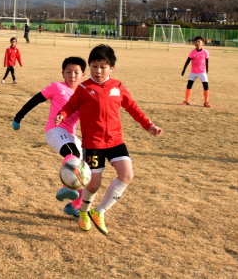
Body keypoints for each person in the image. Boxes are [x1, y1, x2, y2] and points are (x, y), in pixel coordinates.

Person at [55, 44, 163, 235]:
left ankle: (100, 211)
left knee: (127, 175)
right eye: (94, 66)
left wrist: (149, 125)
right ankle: (84, 212)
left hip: (115, 141)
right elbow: (71, 106)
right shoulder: (83, 87)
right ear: (90, 66)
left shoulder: (118, 87)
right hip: (94, 143)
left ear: (111, 68)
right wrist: (62, 114)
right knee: (94, 184)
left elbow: (133, 108)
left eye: (103, 67)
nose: (98, 71)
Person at [12, 57, 86, 218]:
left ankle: (74, 206)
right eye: (68, 72)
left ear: (83, 75)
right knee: (73, 154)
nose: (72, 75)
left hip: (71, 135)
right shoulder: (57, 87)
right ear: (62, 73)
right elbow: (35, 100)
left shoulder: (84, 94)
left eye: (76, 72)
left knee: (85, 169)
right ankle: (66, 186)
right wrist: (18, 117)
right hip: (54, 131)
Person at [181, 36, 211, 107]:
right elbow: (187, 61)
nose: (197, 43)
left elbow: (207, 62)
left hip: (202, 72)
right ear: (194, 43)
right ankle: (187, 101)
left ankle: (206, 102)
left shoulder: (205, 52)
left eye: (199, 42)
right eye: (196, 42)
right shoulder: (192, 52)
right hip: (193, 72)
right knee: (189, 86)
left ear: (202, 43)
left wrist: (207, 71)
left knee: (206, 86)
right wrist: (184, 70)